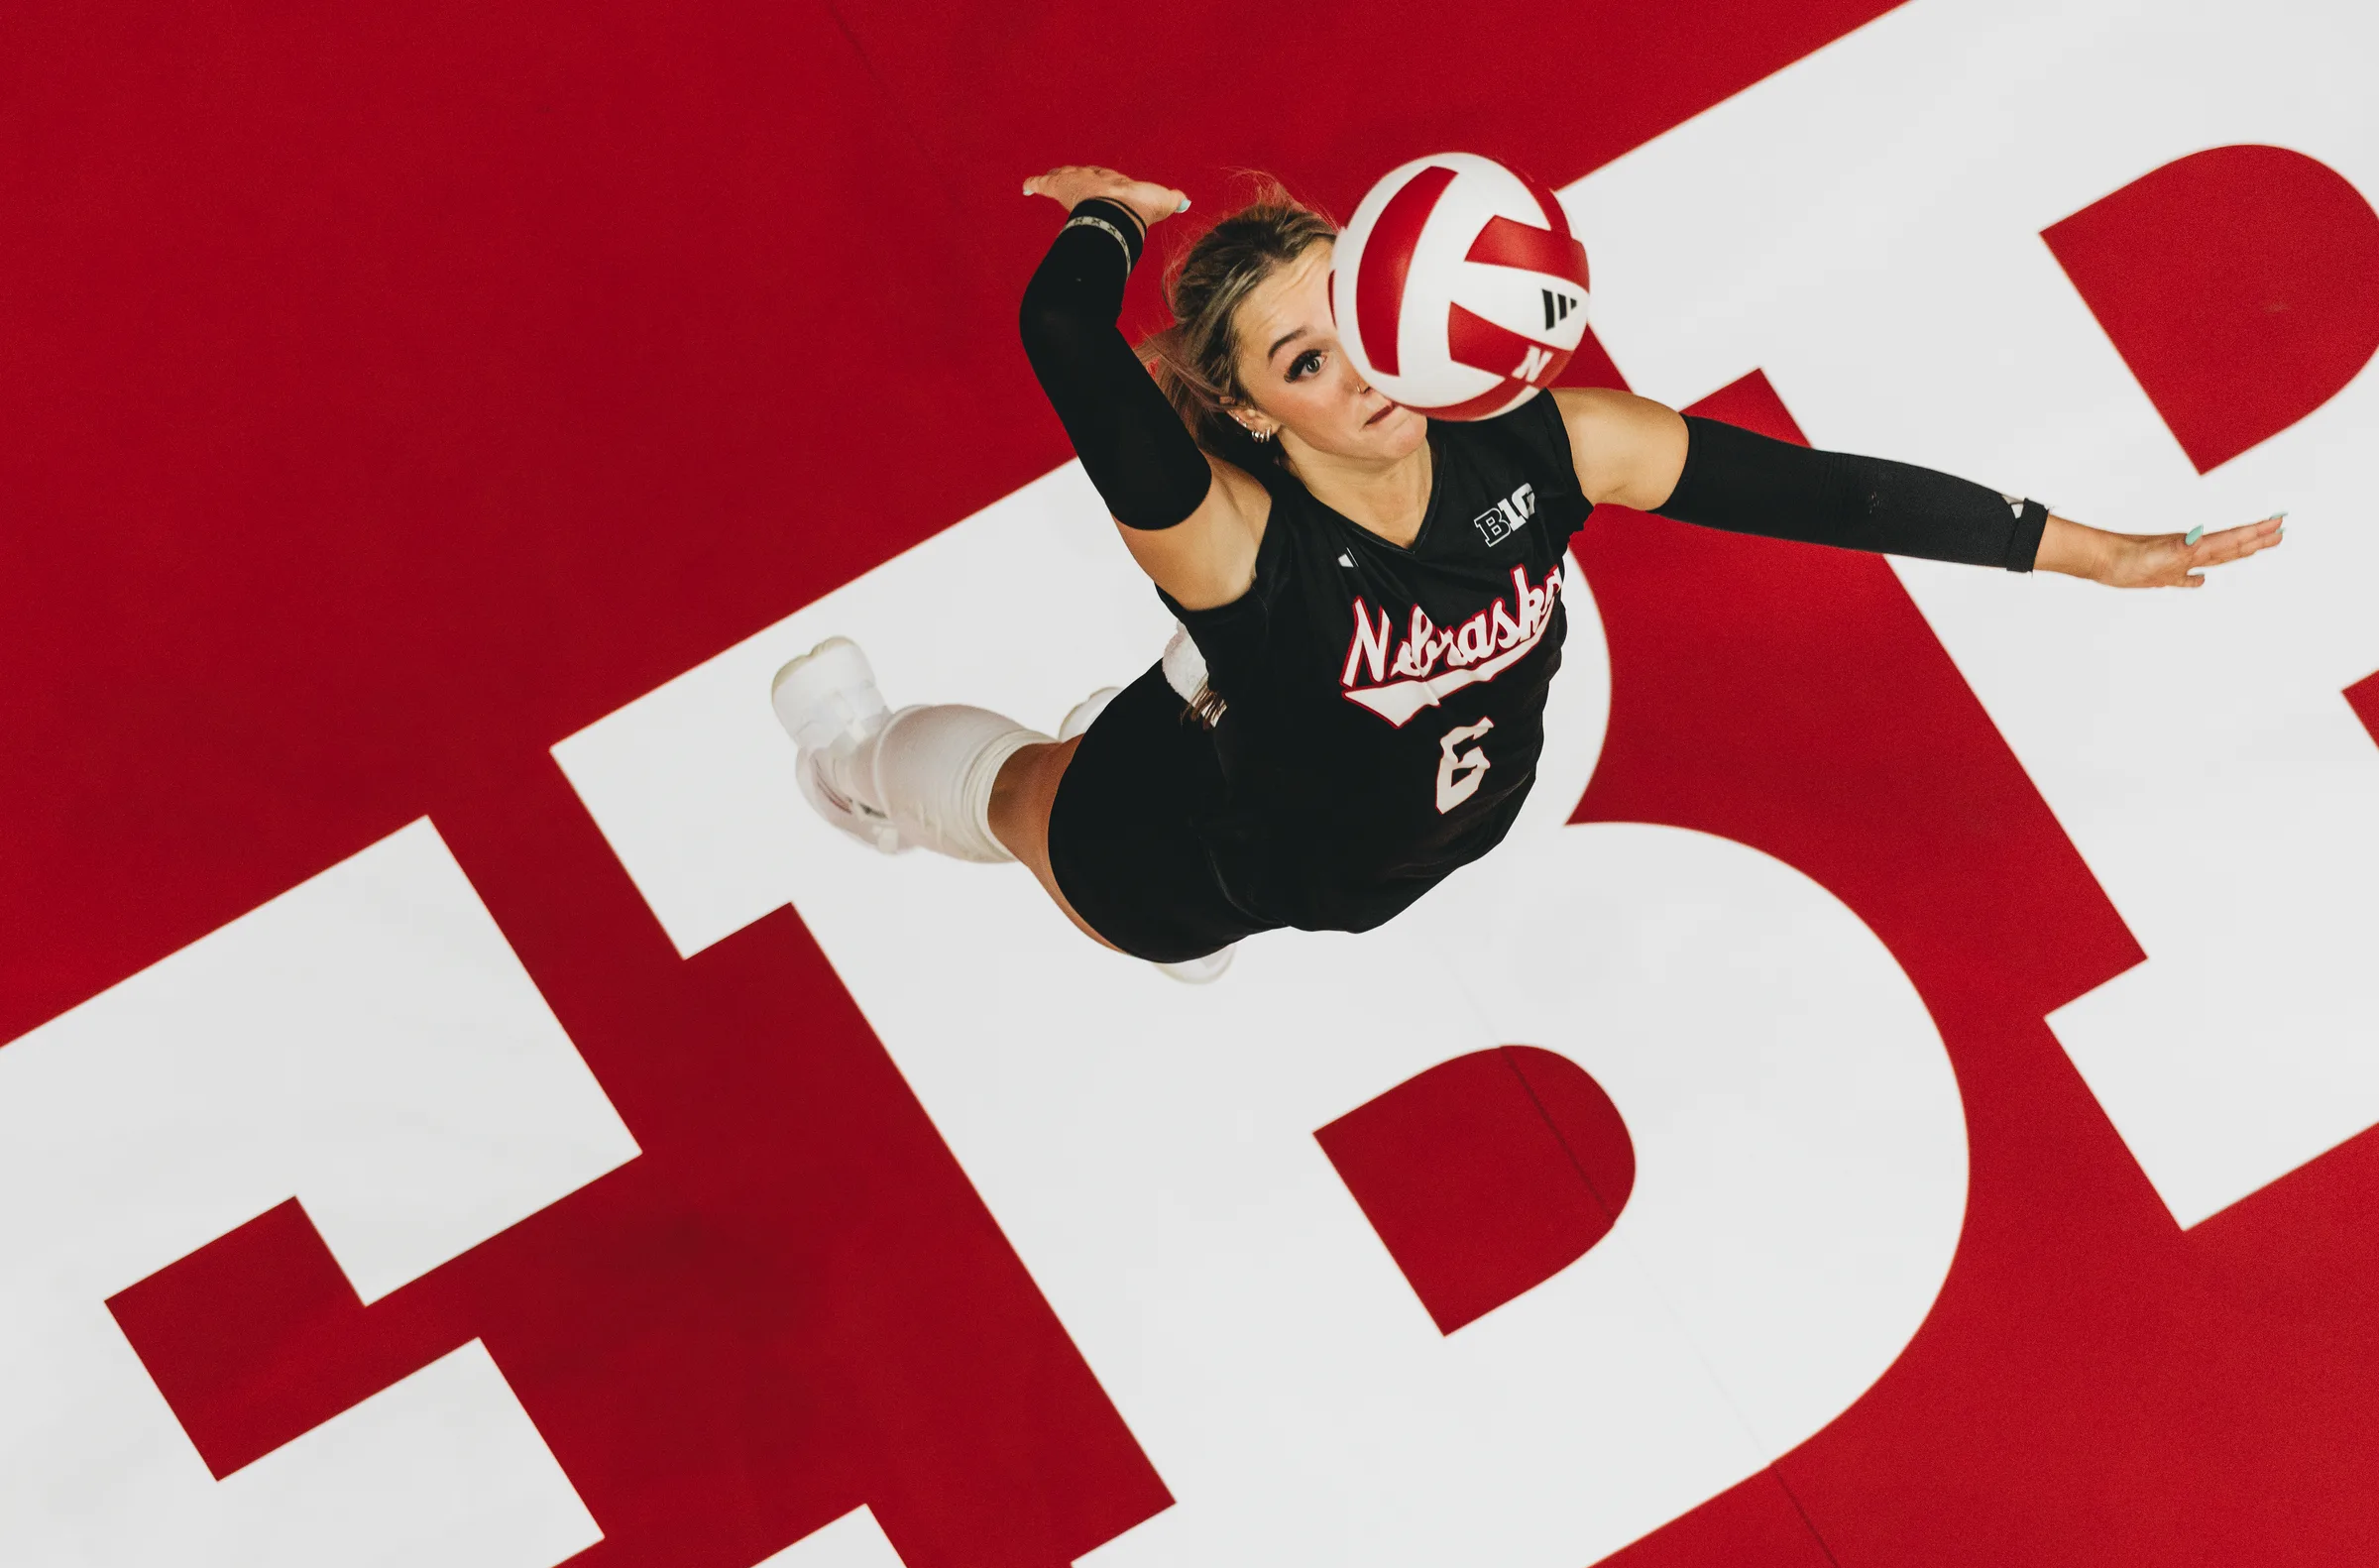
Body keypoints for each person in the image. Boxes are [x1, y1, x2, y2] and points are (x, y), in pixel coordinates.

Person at [772, 165, 2285, 981]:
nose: (1364, 370)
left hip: (1447, 804)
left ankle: (1204, 693)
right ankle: (855, 769)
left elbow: (1825, 494)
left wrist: (2092, 552)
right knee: (1032, 796)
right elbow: (1061, 335)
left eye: (1362, 317)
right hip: (1203, 863)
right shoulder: (1232, 541)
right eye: (1304, 361)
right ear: (1252, 413)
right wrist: (1111, 214)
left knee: (1245, 684)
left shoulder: (1550, 444)